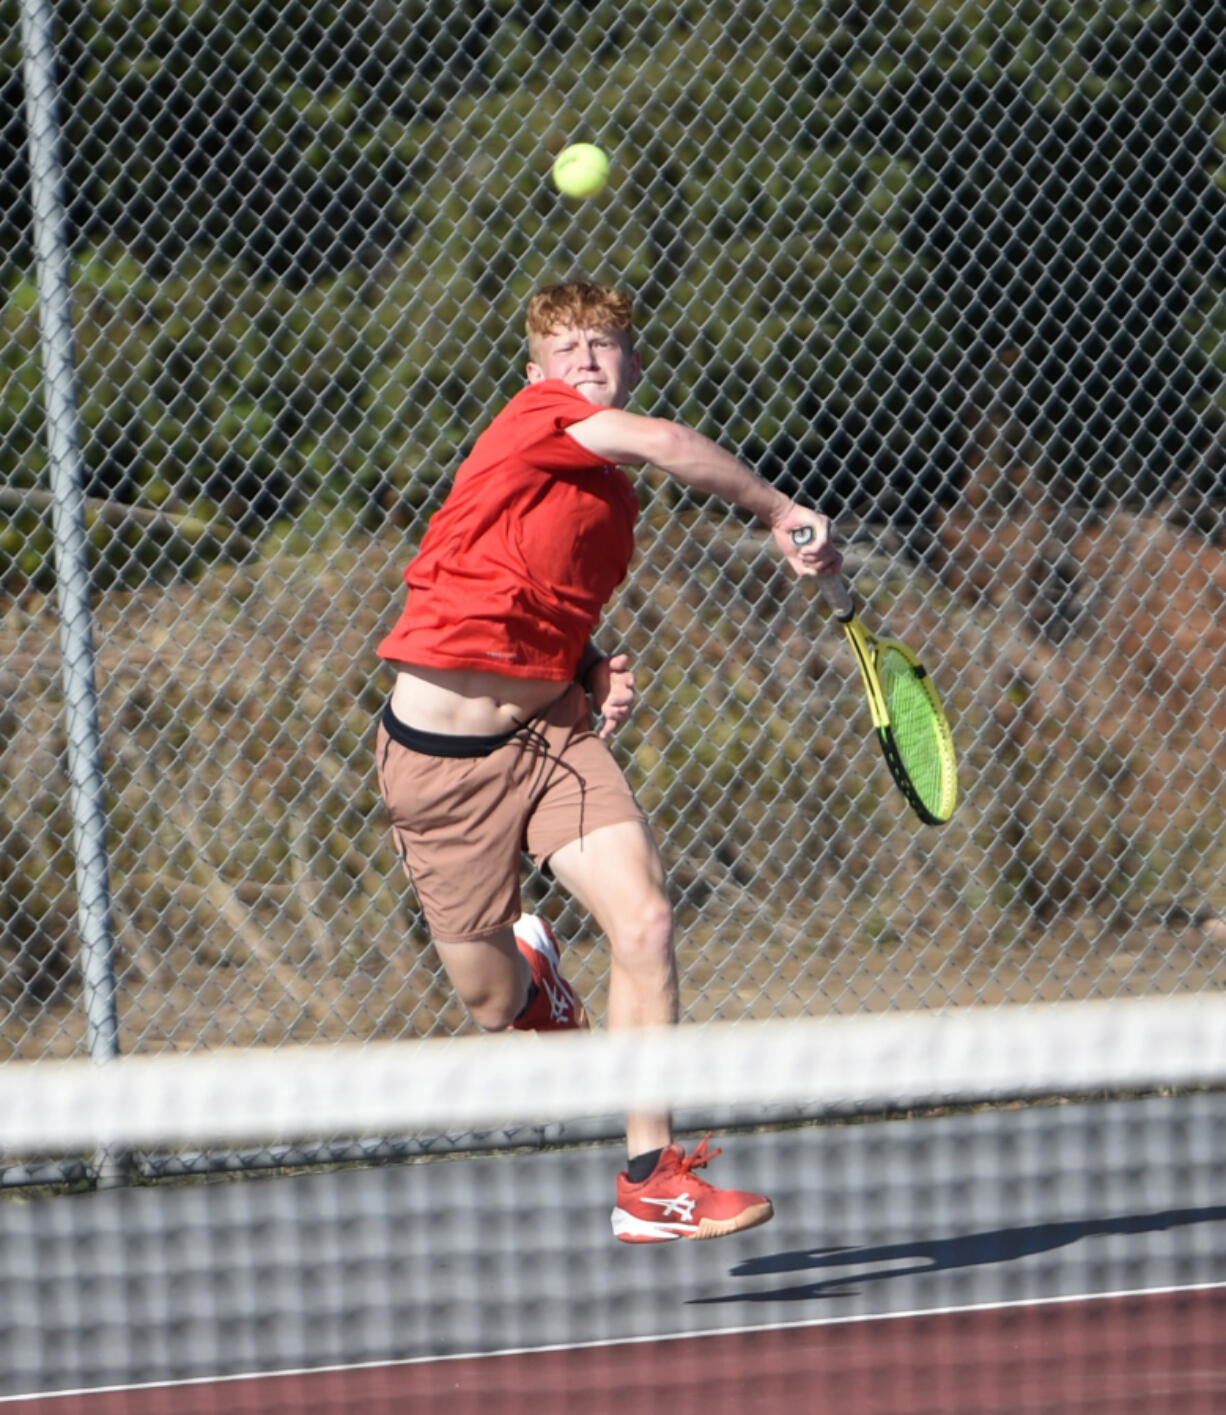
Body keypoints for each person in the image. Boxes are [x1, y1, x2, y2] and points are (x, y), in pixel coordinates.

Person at [375, 279, 842, 1243]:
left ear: (634, 361)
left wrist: (588, 672)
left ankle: (650, 1178)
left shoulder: (610, 510)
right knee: (491, 999)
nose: (588, 359)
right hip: (439, 768)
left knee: (647, 918)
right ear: (538, 373)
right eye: (570, 346)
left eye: (607, 345)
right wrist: (773, 506)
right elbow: (670, 443)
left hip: (552, 739)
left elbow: (538, 607)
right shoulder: (538, 419)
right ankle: (535, 973)